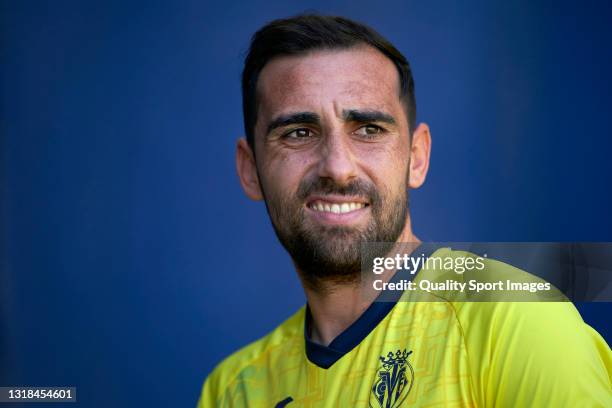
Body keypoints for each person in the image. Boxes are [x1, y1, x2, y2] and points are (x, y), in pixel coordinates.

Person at [198, 14, 611, 407]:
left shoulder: (517, 323)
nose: (337, 167)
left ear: (417, 157)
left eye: (369, 130)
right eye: (299, 133)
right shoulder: (233, 389)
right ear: (249, 169)